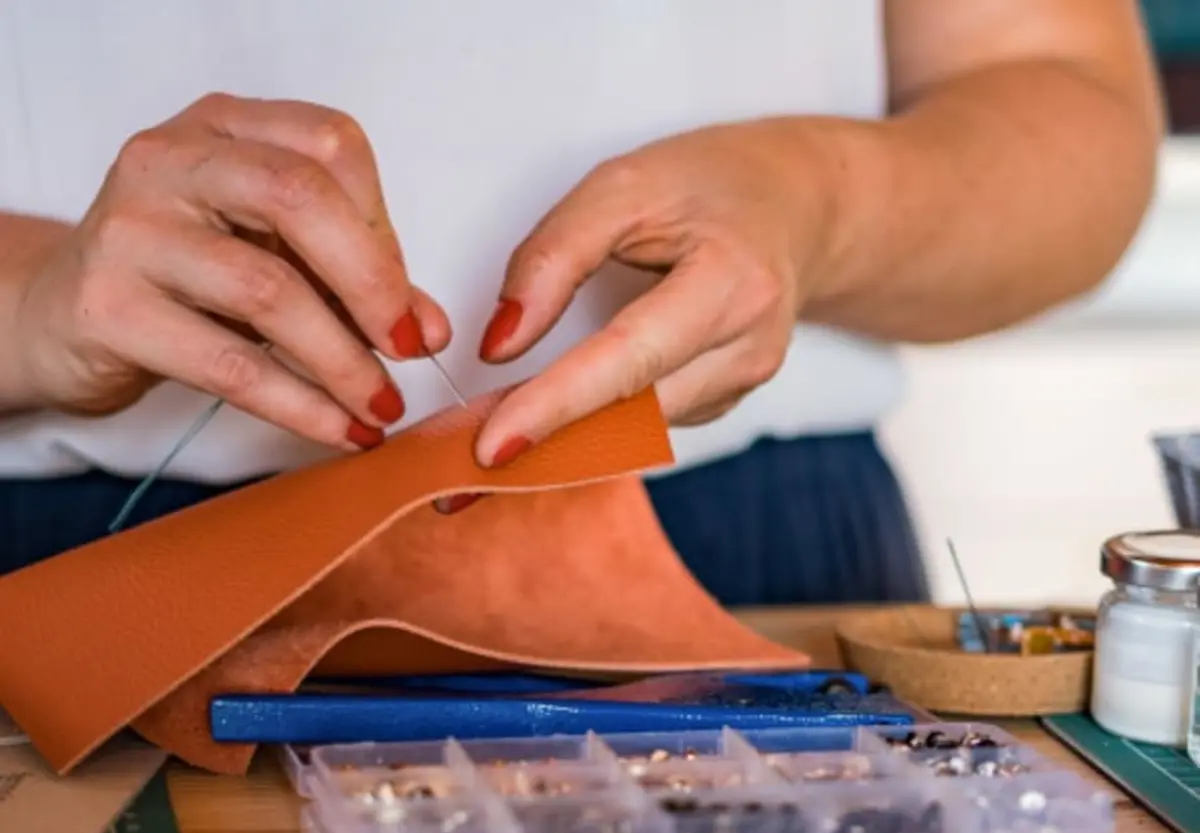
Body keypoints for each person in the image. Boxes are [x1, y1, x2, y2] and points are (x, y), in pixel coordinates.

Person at [0, 1, 1163, 606]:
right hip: (82, 569)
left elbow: (1072, 114)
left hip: (744, 559)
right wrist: (30, 300)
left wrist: (818, 205)